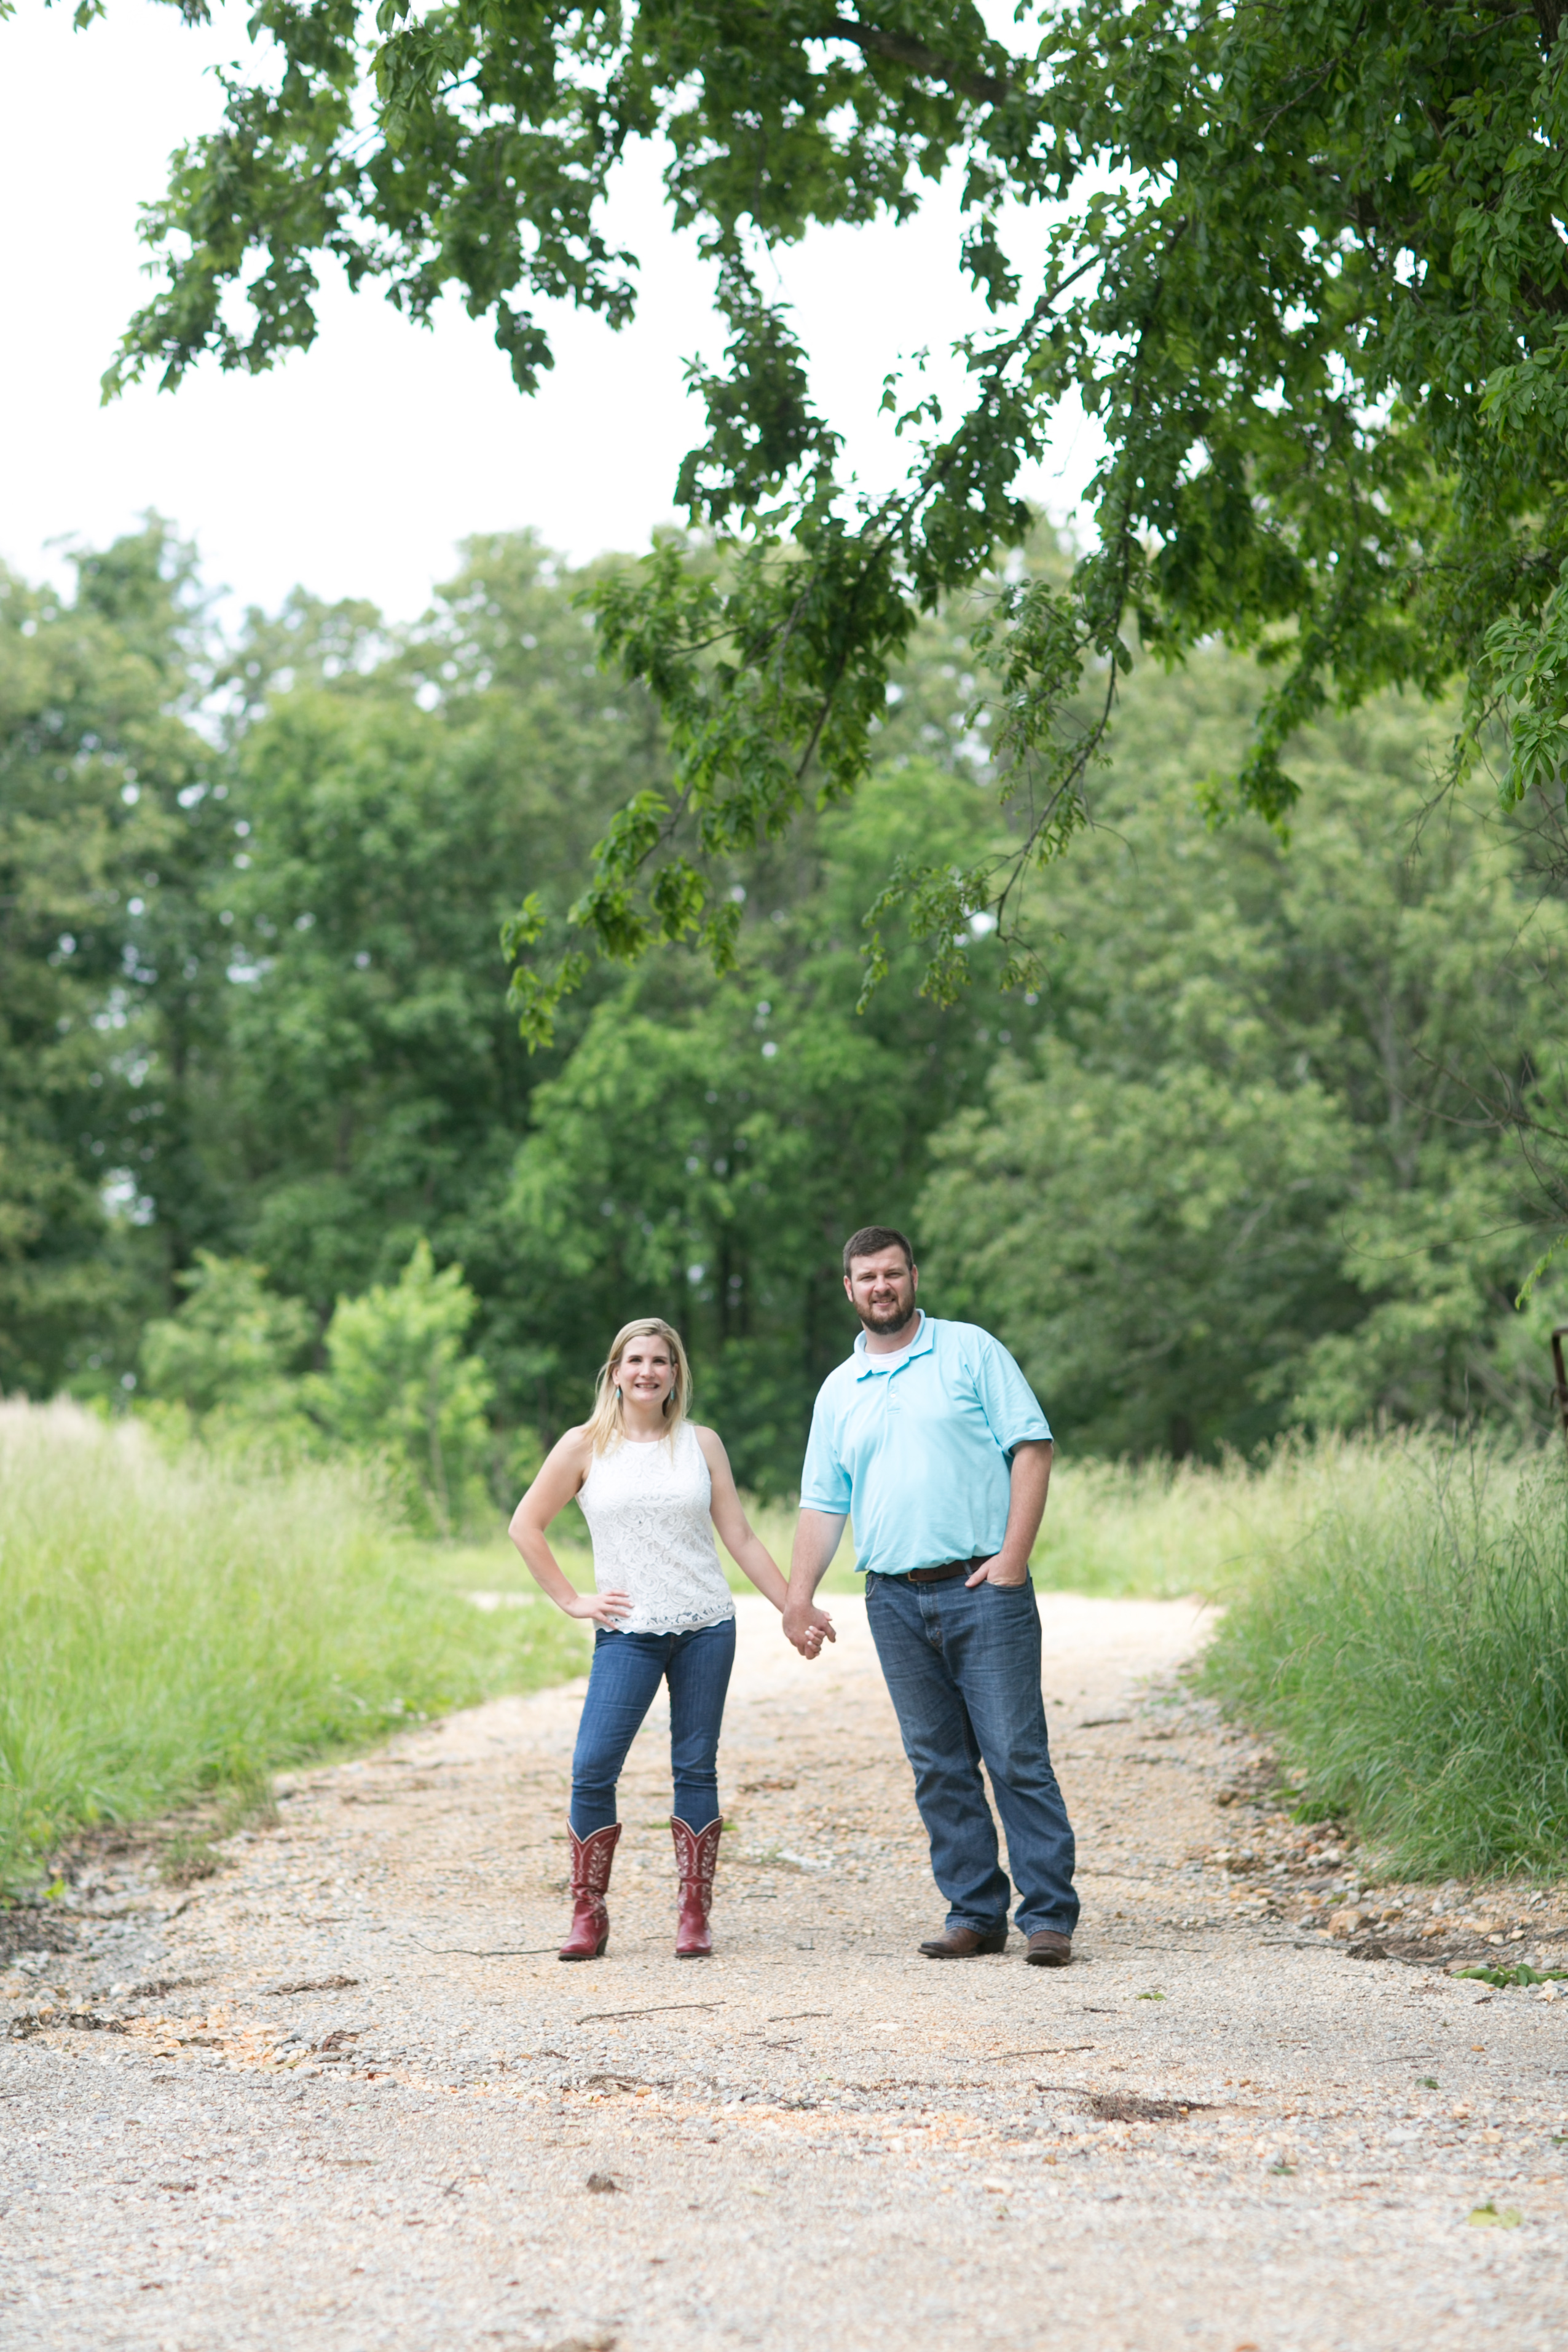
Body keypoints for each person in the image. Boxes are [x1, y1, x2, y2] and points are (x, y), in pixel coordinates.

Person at [782, 1226, 1078, 1965]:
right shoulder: (837, 1389)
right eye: (865, 1277)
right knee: (937, 1762)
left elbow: (1031, 1446)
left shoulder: (970, 1350)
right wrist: (798, 1597)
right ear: (847, 1290)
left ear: (913, 1276)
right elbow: (823, 1503)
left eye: (891, 1273)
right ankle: (974, 1911)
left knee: (1014, 1753)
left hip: (984, 1585)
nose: (880, 1286)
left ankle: (1047, 1915)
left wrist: (1013, 1558)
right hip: (893, 1599)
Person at [510, 1316, 834, 1961]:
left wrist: (792, 1606)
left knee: (695, 1766)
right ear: (614, 1370)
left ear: (675, 1373)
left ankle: (693, 1914)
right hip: (627, 1632)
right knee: (593, 1765)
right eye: (634, 1359)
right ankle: (587, 1912)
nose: (646, 1371)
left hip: (707, 1625)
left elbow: (738, 1536)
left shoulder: (701, 1444)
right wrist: (573, 1600)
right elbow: (526, 1524)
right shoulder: (582, 1446)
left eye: (660, 1360)